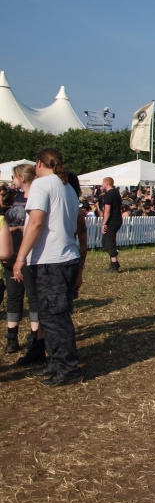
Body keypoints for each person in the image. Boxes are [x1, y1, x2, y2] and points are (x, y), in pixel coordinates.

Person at [12, 149, 83, 386]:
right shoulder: (68, 188)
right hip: (66, 256)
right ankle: (55, 362)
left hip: (51, 259)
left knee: (53, 316)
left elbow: (36, 222)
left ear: (39, 163)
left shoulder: (43, 185)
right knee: (50, 314)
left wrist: (20, 257)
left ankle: (67, 367)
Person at [3, 164, 42, 359]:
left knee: (32, 296)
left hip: (27, 254)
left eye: (14, 177)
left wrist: (17, 229)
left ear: (22, 177)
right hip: (10, 253)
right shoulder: (14, 197)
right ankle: (12, 337)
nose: (11, 181)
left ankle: (35, 337)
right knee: (14, 295)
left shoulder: (37, 196)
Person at [100, 176, 123, 273]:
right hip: (118, 218)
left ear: (106, 184)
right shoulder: (117, 193)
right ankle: (114, 262)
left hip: (112, 220)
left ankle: (114, 266)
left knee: (109, 241)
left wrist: (104, 223)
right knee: (106, 241)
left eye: (102, 183)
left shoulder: (109, 194)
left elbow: (107, 210)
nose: (102, 185)